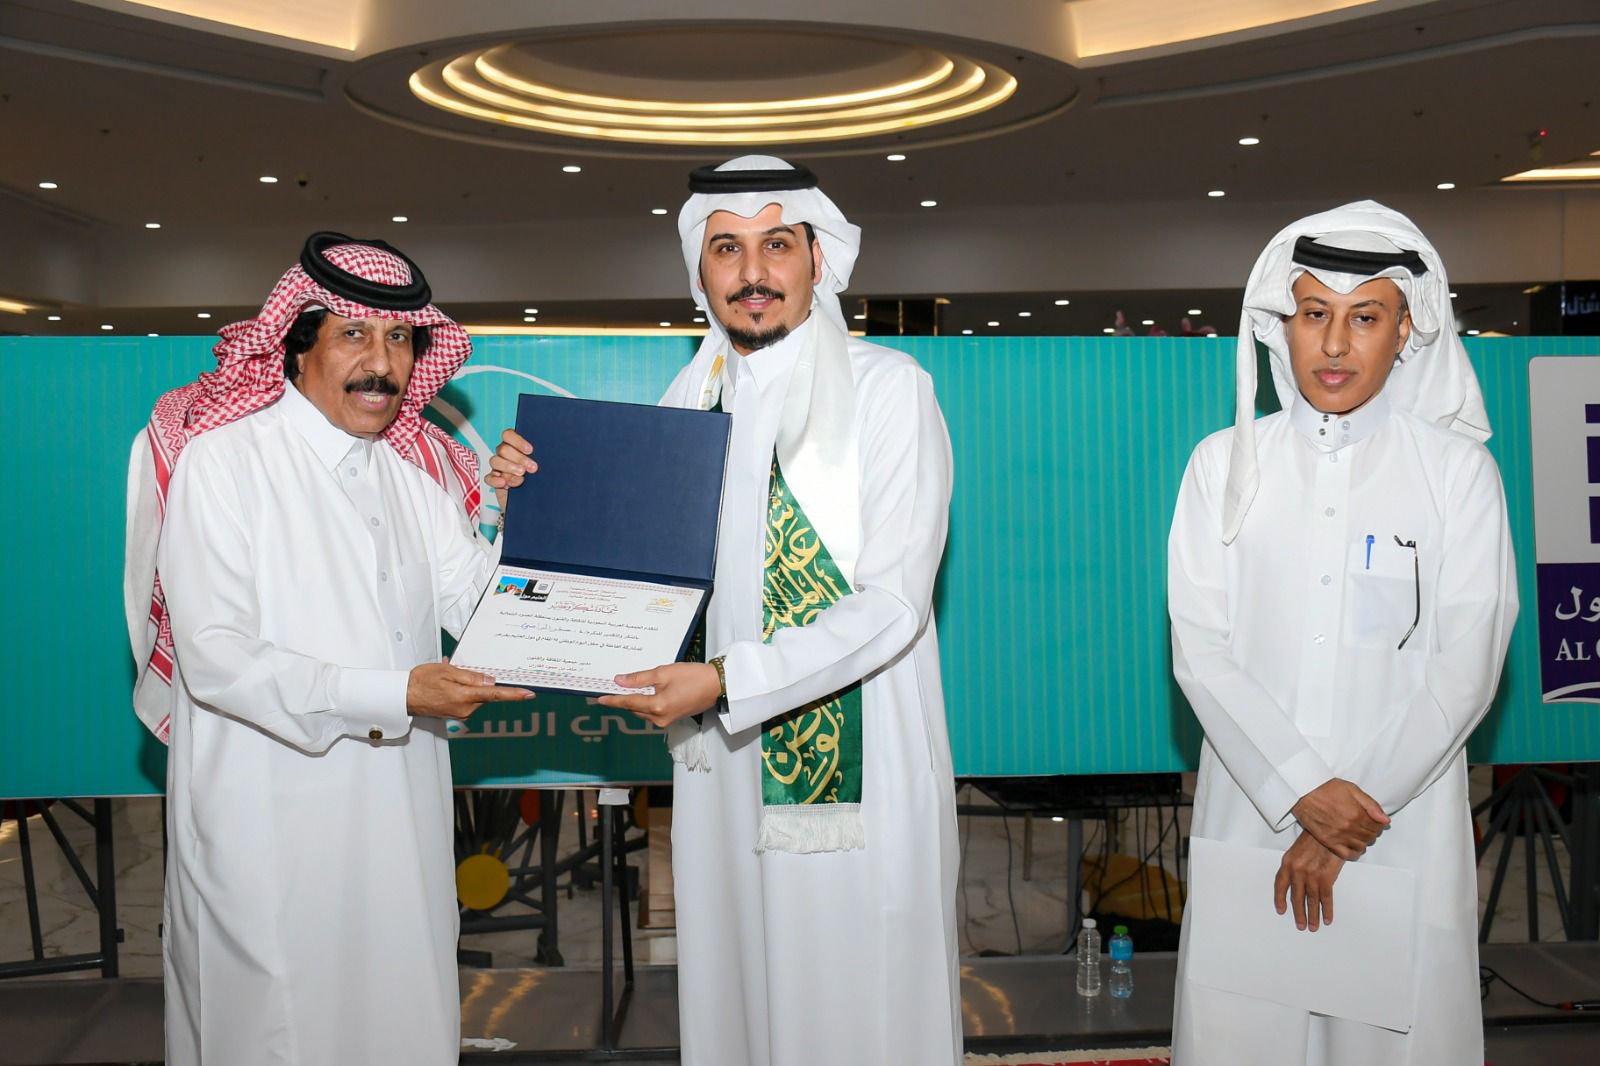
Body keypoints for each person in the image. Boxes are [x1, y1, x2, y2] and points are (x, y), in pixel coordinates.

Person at [493, 155, 961, 1065]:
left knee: (849, 1002)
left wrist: (725, 680)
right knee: (737, 995)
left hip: (855, 776)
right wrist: (531, 502)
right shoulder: (688, 398)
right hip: (717, 764)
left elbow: (894, 603)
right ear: (699, 272)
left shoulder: (887, 387)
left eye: (776, 245)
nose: (753, 272)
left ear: (819, 260)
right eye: (727, 250)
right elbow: (632, 573)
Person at [123, 233, 533, 1065]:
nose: (381, 363)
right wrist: (399, 694)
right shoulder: (223, 464)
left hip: (400, 820)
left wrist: (530, 516)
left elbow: (484, 613)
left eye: (399, 338)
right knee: (275, 1030)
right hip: (268, 823)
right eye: (354, 335)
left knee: (399, 1020)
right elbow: (216, 657)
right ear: (297, 346)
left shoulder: (413, 483)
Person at [1167, 202, 1518, 1065]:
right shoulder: (1221, 466)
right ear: (1278, 325)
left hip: (1399, 823)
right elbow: (1200, 650)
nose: (1333, 344)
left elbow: (1468, 665)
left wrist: (1345, 818)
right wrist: (1301, 791)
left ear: (1406, 331)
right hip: (1254, 818)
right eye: (1313, 313)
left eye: (1364, 318)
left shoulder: (1459, 475)